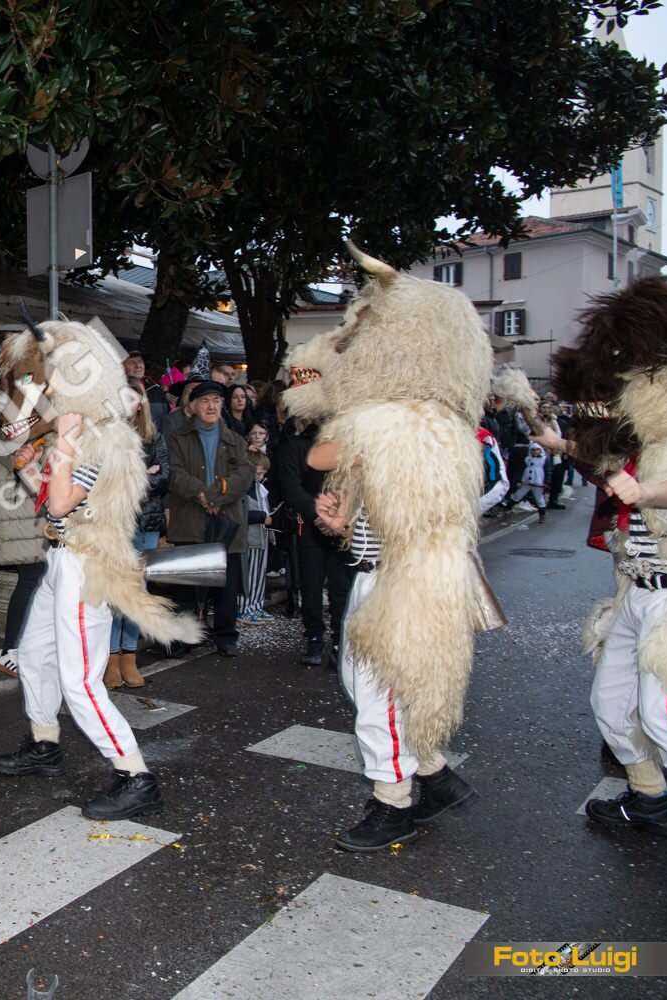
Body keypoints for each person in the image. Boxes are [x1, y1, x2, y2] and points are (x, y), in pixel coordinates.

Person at [283, 243, 486, 853]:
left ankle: (392, 802)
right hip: (414, 575)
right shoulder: (442, 423)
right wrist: (343, 518)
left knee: (376, 695)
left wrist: (334, 393)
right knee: (382, 684)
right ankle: (436, 776)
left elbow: (319, 455)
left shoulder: (384, 418)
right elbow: (388, 506)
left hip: (397, 582)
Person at [0, 319, 197, 822]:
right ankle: (44, 743)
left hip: (85, 566)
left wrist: (61, 442)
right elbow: (54, 503)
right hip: (60, 556)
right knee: (33, 656)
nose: (46, 391)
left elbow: (62, 501)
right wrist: (31, 465)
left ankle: (136, 776)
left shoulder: (102, 441)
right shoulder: (86, 436)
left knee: (80, 681)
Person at [548, 270, 667, 891]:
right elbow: (605, 462)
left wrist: (649, 492)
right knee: (612, 709)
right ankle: (650, 801)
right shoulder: (646, 440)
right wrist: (563, 446)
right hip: (634, 593)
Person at [166, 379, 249, 657]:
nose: (211, 406)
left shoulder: (235, 440)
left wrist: (216, 497)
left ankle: (226, 636)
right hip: (190, 518)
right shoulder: (178, 438)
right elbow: (174, 473)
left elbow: (244, 475)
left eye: (216, 400)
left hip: (226, 520)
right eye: (204, 401)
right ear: (192, 406)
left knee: (226, 584)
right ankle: (184, 637)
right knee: (187, 583)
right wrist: (201, 494)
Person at [0, 373, 47, 679]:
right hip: (11, 503)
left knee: (38, 574)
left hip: (26, 501)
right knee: (33, 574)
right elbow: (5, 451)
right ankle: (10, 650)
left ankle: (20, 647)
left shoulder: (21, 404)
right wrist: (34, 445)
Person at [272, 414, 351, 666]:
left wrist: (341, 516)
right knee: (311, 586)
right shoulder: (295, 447)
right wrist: (319, 515)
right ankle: (314, 636)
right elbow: (291, 487)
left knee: (342, 588)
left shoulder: (349, 447)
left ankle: (340, 639)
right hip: (309, 525)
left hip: (342, 525)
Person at [106, 382, 168, 688]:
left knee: (137, 594)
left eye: (136, 399)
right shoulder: (106, 436)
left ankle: (129, 657)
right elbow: (107, 481)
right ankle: (110, 659)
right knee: (114, 593)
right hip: (116, 527)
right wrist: (145, 474)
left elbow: (164, 477)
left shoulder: (154, 437)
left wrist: (136, 479)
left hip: (147, 526)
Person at [239, 446, 274, 625]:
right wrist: (262, 517)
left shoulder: (259, 488)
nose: (261, 476)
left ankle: (256, 605)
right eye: (258, 473)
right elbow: (240, 514)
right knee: (249, 576)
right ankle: (244, 609)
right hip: (249, 539)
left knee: (259, 575)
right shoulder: (242, 489)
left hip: (261, 538)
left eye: (263, 473)